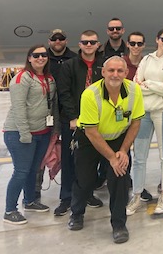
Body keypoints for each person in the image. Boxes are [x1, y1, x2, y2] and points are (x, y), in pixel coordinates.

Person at [67, 56, 145, 244]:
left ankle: (119, 224)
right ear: (103, 72)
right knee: (86, 180)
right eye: (111, 70)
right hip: (89, 140)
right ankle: (76, 213)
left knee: (120, 179)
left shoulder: (134, 90)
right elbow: (92, 132)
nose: (115, 74)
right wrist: (111, 157)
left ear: (127, 73)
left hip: (118, 138)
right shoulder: (90, 94)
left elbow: (135, 123)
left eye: (120, 71)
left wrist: (123, 151)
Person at [127, 29, 163, 216]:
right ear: (157, 39)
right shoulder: (147, 59)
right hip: (144, 113)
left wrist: (148, 84)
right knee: (139, 157)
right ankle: (136, 195)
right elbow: (135, 85)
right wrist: (154, 86)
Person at [3, 45, 59, 225]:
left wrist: (53, 129)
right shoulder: (22, 78)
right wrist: (25, 133)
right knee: (21, 171)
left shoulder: (48, 77)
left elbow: (52, 104)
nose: (41, 58)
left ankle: (30, 201)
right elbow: (19, 108)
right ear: (29, 58)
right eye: (36, 55)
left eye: (44, 55)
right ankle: (10, 210)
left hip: (42, 132)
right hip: (19, 133)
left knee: (33, 170)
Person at [54, 31, 104, 216]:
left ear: (98, 44)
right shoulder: (69, 65)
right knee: (69, 160)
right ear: (80, 44)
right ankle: (66, 197)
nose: (89, 45)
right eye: (85, 42)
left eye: (92, 42)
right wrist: (73, 117)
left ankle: (87, 194)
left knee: (90, 161)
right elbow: (64, 93)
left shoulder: (102, 65)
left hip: (96, 121)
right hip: (74, 121)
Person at [35, 29, 76, 200]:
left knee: (70, 154)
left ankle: (71, 191)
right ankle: (34, 191)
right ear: (49, 41)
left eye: (61, 38)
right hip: (47, 112)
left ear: (66, 41)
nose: (57, 41)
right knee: (41, 152)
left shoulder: (74, 58)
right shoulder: (43, 59)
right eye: (54, 39)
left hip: (67, 113)